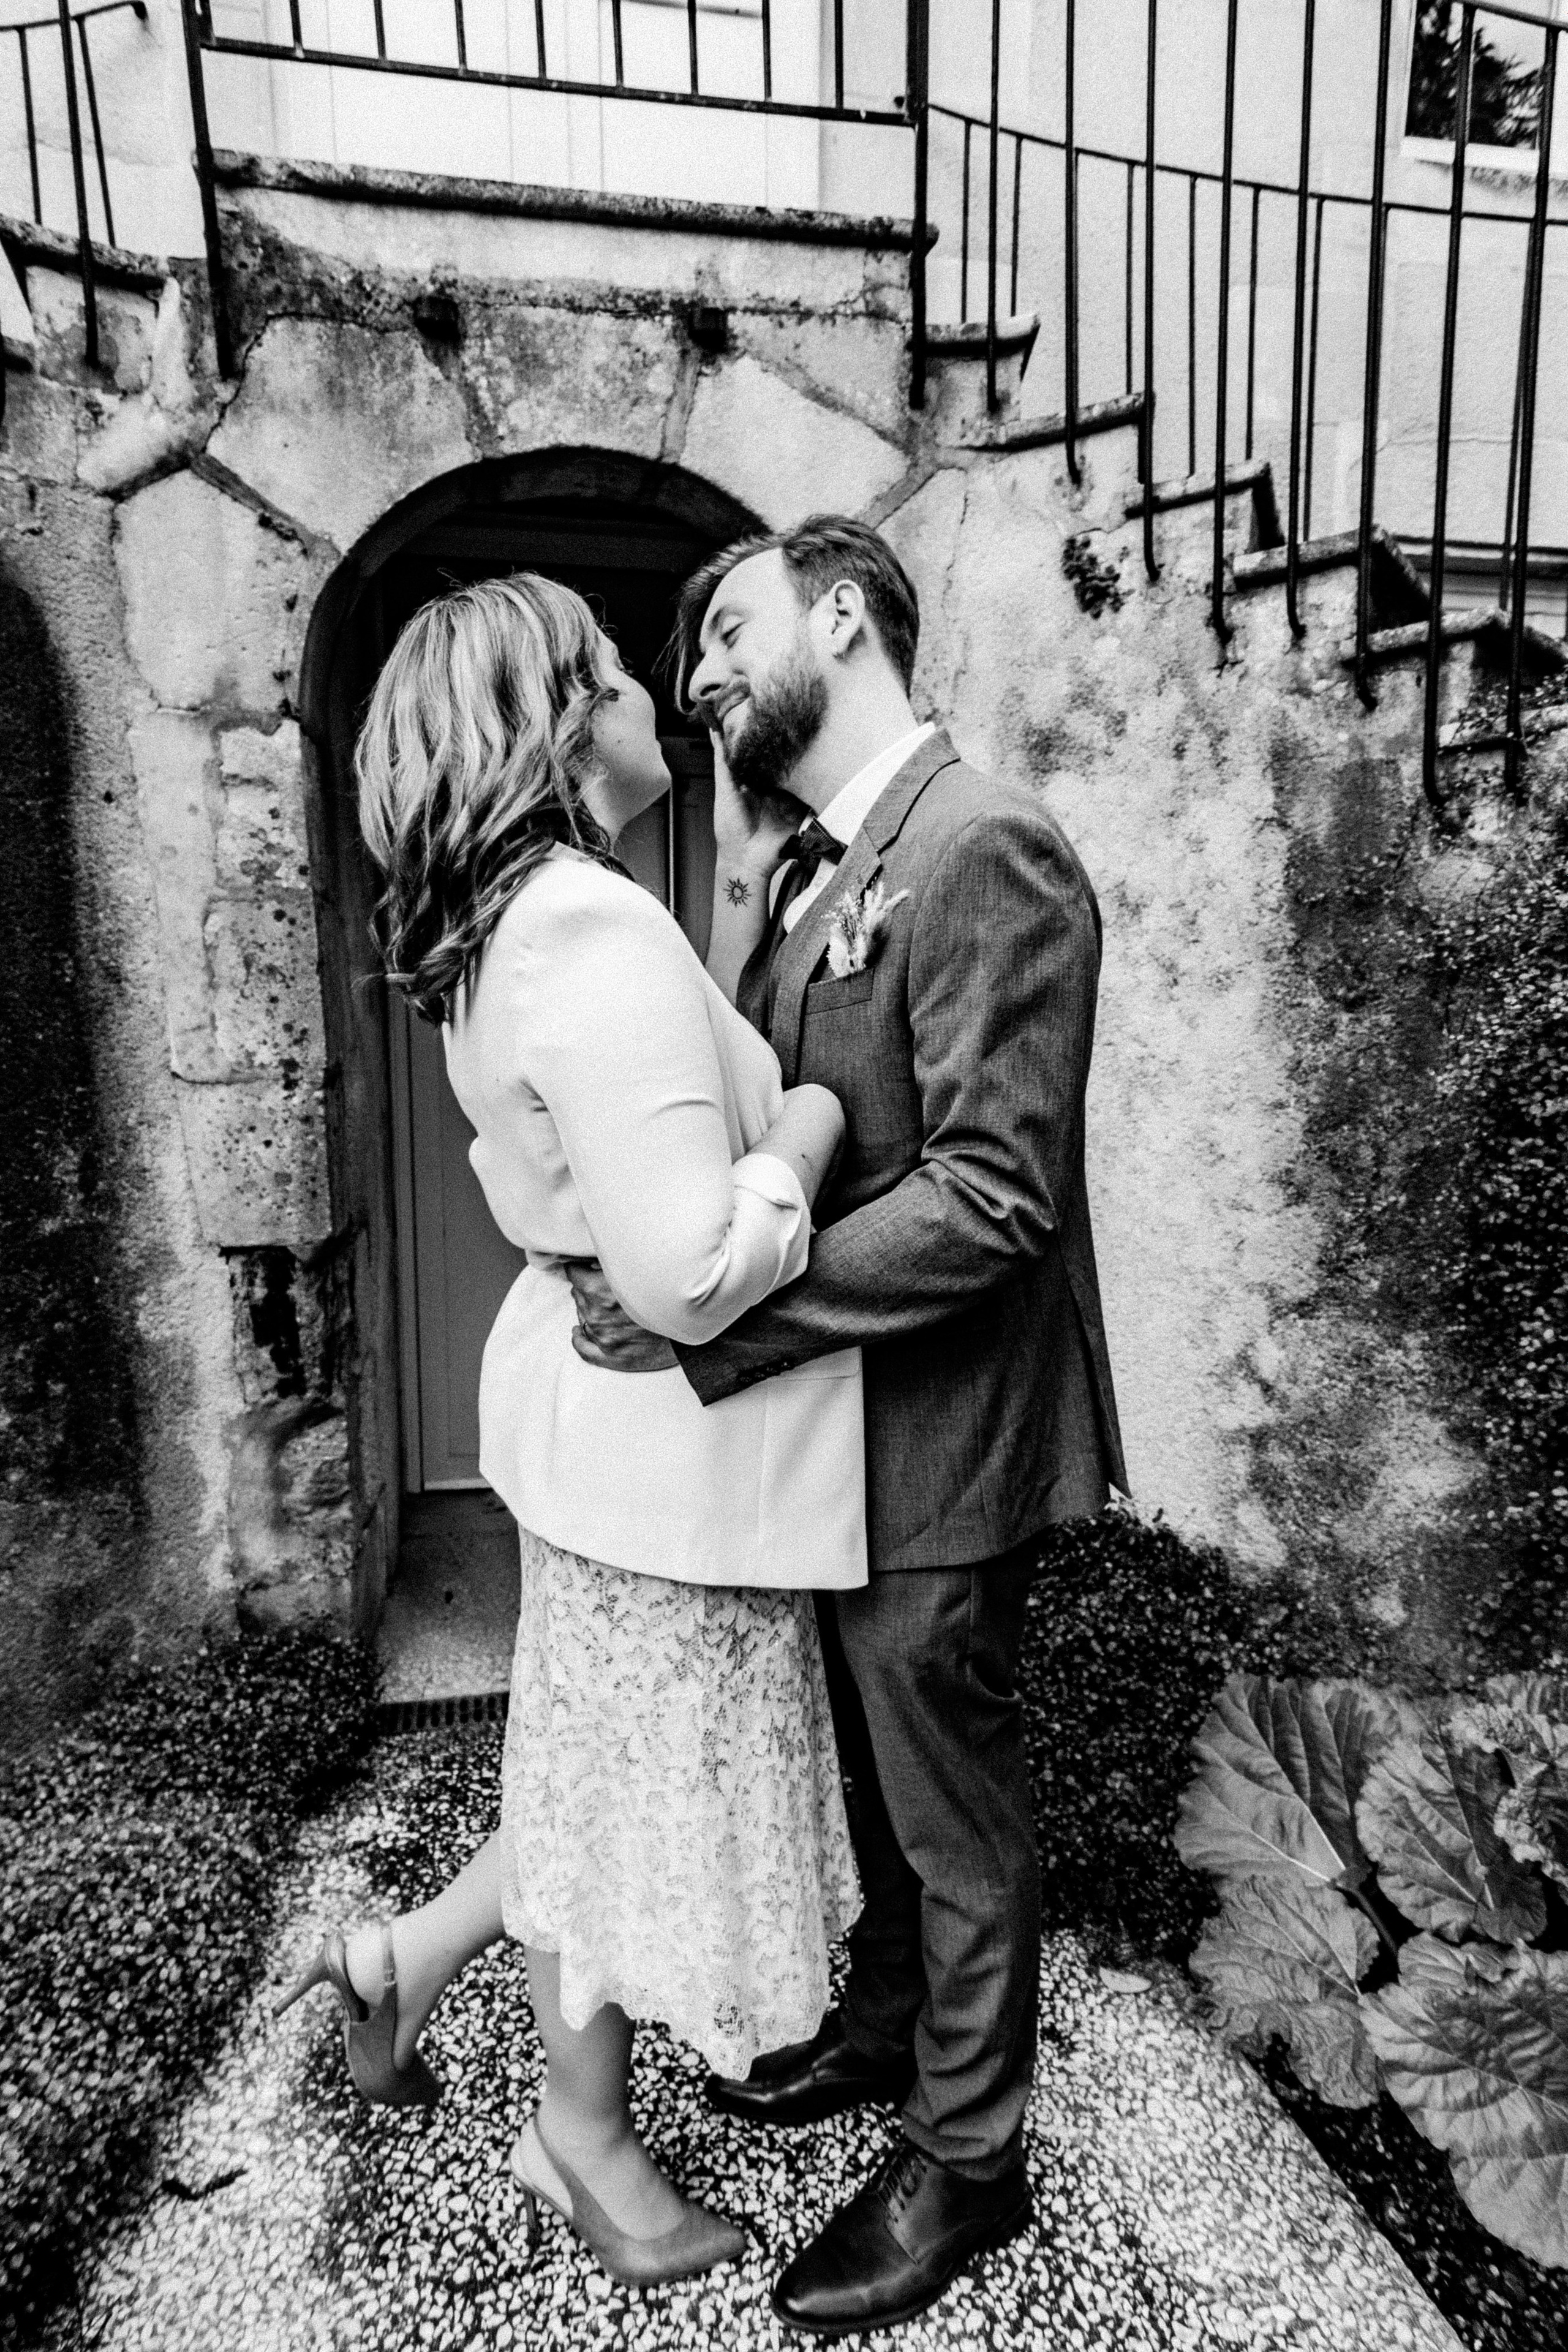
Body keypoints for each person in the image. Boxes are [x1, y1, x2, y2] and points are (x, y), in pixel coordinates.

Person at [570, 514, 1127, 2335]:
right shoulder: (823, 867)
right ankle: (889, 2028)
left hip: (948, 1435)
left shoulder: (985, 848)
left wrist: (713, 1316)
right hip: (838, 1438)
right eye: (687, 656)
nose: (700, 673)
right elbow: (766, 1107)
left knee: (952, 1806)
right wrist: (740, 884)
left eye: (725, 630)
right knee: (885, 1776)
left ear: (843, 612)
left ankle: (971, 2156)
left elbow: (993, 1192)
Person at [276, 572, 867, 2288]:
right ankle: (584, 2146)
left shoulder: (502, 929)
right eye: (613, 670)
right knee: (621, 1804)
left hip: (595, 1432)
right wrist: (814, 1130)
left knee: (593, 1777)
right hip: (660, 1448)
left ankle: (401, 1965)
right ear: (550, 725)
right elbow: (690, 1269)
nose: (651, 691)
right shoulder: (586, 931)